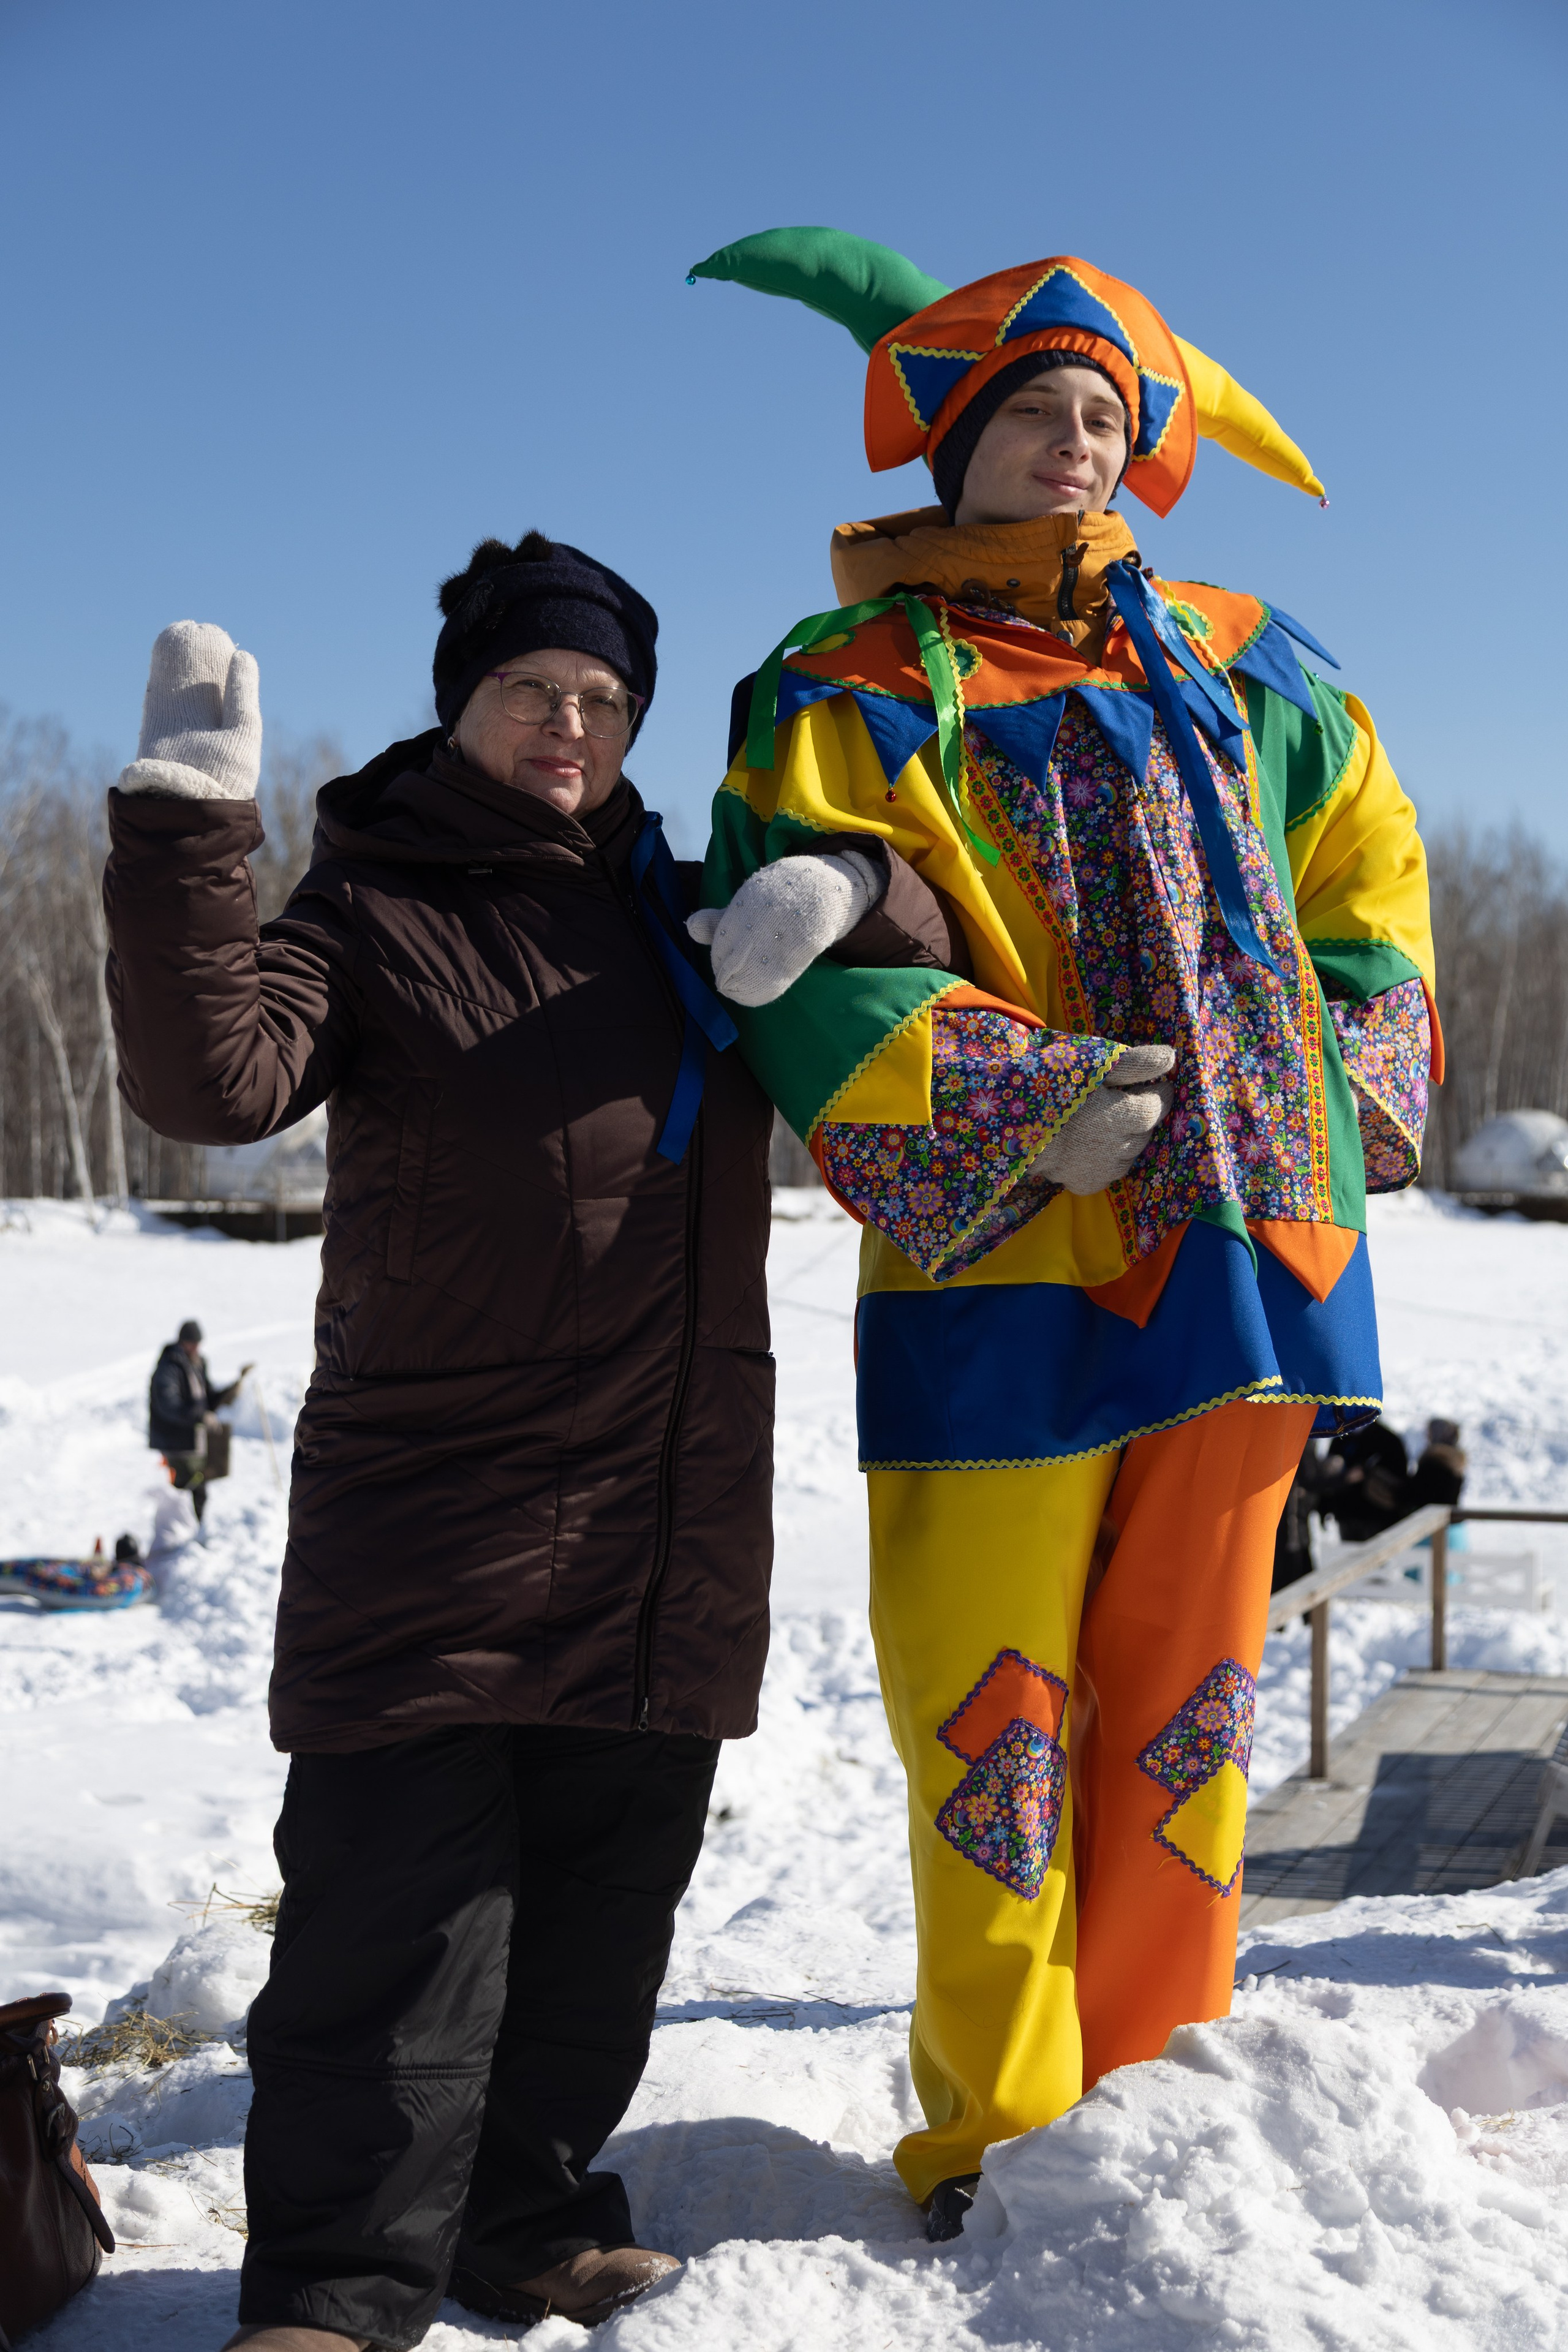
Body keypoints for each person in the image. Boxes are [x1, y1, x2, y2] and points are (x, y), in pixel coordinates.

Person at [687, 228, 1439, 2238]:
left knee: (1188, 1703)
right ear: (956, 441)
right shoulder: (838, 684)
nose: (1074, 443)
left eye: (1106, 414)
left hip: (1252, 1263)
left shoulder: (1257, 659)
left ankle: (1157, 2099)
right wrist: (1012, 1102)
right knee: (997, 1713)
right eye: (1034, 410)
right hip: (1004, 1263)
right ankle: (997, 2133)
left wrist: (1336, 1111)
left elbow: (1369, 881)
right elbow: (786, 949)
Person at [103, 533, 776, 2347]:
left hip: (659, 1514)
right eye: (533, 690)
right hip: (442, 1508)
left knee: (593, 1924)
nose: (569, 725)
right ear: (462, 701)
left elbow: (899, 1031)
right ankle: (330, 2290)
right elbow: (211, 1085)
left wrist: (864, 903)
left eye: (603, 700)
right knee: (391, 1929)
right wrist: (187, 837)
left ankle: (526, 2217)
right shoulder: (382, 900)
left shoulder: (689, 913)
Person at [148, 1319, 251, 1529]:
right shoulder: (169, 1367)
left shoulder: (196, 1363)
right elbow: (169, 1405)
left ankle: (194, 1529)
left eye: (197, 1343)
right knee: (187, 1488)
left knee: (198, 1485)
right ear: (182, 1342)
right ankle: (182, 1533)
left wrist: (230, 1391)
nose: (195, 1347)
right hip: (174, 1440)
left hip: (192, 1440)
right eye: (191, 1343)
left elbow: (207, 1399)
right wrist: (199, 1417)